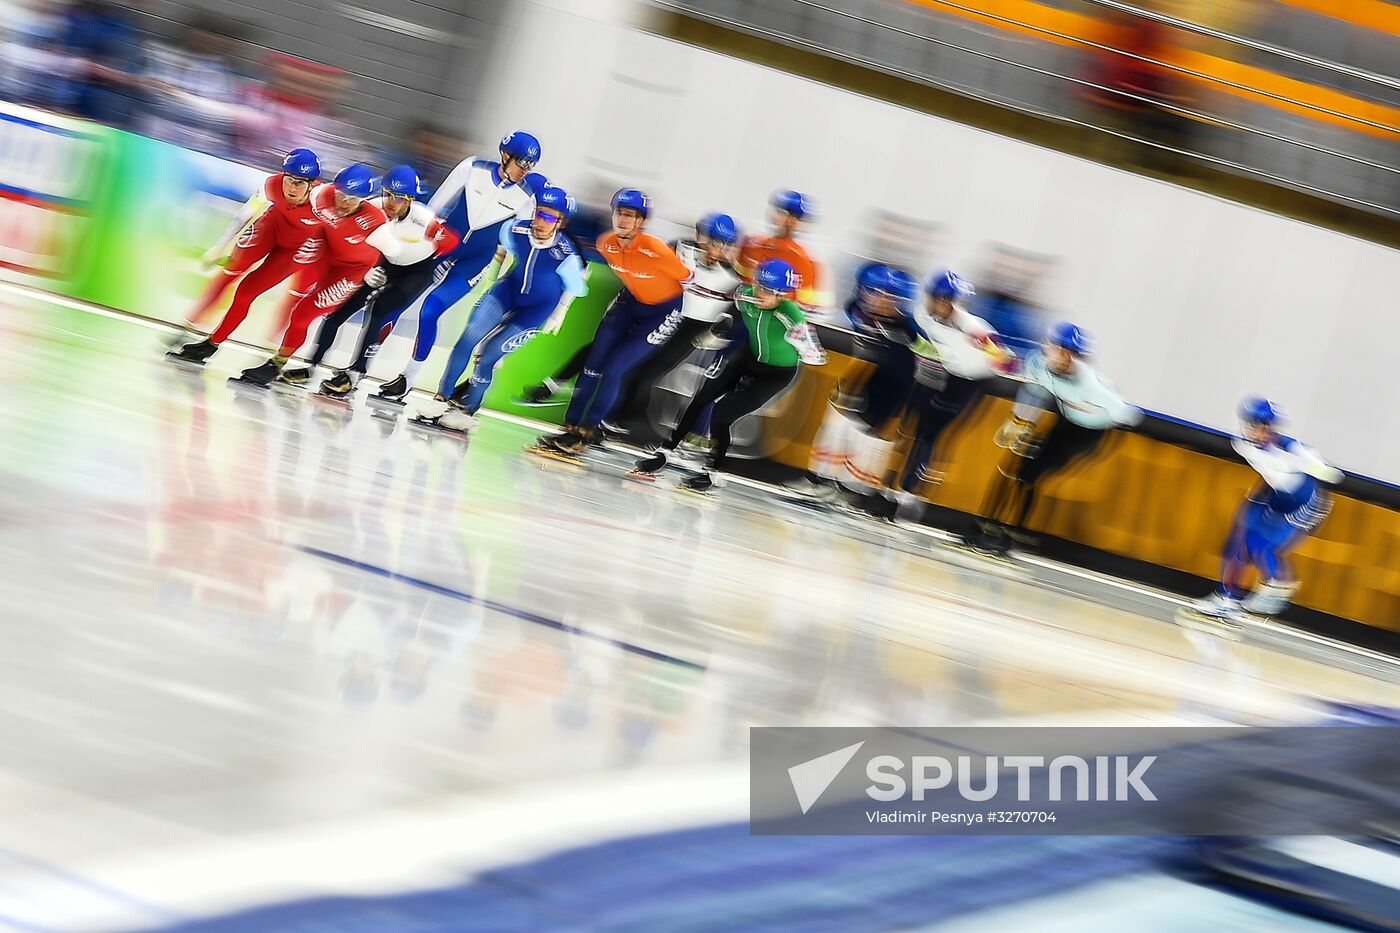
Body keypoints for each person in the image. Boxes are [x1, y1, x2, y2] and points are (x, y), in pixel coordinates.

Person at [369, 131, 547, 403]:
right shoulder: (472, 167)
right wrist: (417, 245)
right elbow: (434, 208)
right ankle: (363, 366)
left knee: (429, 312)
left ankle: (408, 379)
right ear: (505, 155)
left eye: (530, 166)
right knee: (394, 303)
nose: (526, 170)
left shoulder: (526, 197)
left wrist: (505, 275)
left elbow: (519, 244)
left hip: (474, 263)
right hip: (440, 248)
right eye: (522, 163)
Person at [630, 258, 826, 494]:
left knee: (724, 413)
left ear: (783, 295)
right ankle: (665, 452)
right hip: (748, 359)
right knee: (702, 397)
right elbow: (731, 320)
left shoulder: (791, 315)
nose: (762, 295)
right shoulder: (745, 295)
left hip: (776, 374)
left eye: (771, 292)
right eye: (760, 287)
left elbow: (817, 357)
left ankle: (715, 473)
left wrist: (804, 345)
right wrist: (717, 333)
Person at [197, 164, 405, 385]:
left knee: (302, 315)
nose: (344, 202)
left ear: (364, 200)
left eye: (353, 199)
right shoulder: (320, 194)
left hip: (350, 271)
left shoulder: (377, 224)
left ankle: (277, 364)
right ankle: (211, 344)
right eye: (341, 194)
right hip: (324, 254)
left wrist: (377, 274)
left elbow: (396, 253)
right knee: (247, 289)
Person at [410, 185, 587, 432]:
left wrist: (559, 313)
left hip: (535, 310)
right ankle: (441, 399)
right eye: (539, 213)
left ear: (561, 222)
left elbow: (575, 286)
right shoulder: (515, 229)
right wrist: (493, 277)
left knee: (489, 355)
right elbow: (502, 249)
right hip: (506, 292)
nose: (540, 221)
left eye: (549, 217)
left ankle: (468, 411)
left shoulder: (566, 254)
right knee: (468, 338)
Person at [533, 188, 692, 455]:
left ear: (641, 222)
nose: (623, 220)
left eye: (631, 215)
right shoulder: (605, 243)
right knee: (593, 364)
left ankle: (588, 430)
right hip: (629, 303)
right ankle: (570, 427)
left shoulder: (656, 249)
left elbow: (689, 279)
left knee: (615, 369)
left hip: (661, 312)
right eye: (620, 213)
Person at [281, 165, 458, 395]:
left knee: (379, 311)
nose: (391, 203)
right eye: (388, 195)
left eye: (399, 198)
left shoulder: (424, 220)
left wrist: (435, 262)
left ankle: (355, 374)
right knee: (339, 309)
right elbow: (356, 240)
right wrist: (368, 268)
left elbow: (451, 243)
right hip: (381, 264)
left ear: (410, 200)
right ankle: (311, 365)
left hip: (415, 271)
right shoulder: (371, 208)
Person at [968, 322, 1139, 554]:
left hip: (1087, 434)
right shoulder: (1039, 362)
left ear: (1074, 356)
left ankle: (1010, 540)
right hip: (1064, 420)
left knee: (1029, 476)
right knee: (1009, 468)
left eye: (1067, 353)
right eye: (1054, 348)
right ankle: (984, 530)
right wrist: (1019, 420)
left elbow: (1128, 416)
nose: (1057, 356)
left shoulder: (1091, 385)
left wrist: (1094, 409)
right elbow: (1033, 389)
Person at [786, 264, 925, 509]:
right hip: (863, 382)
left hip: (894, 390)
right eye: (873, 292)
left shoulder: (909, 333)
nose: (878, 301)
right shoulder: (855, 310)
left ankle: (852, 492)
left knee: (866, 441)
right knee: (834, 427)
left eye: (887, 296)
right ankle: (818, 479)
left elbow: (915, 371)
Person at [167, 147, 323, 363]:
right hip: (269, 229)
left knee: (246, 293)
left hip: (294, 250)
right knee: (229, 272)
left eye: (300, 182)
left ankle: (212, 344)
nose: (291, 187)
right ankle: (189, 325)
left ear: (312, 184)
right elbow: (244, 215)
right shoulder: (271, 184)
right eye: (288, 179)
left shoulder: (324, 201)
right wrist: (220, 246)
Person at [1192, 398, 1341, 620]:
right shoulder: (1241, 444)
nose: (1256, 431)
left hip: (1306, 502)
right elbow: (1269, 470)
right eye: (1252, 424)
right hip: (1273, 494)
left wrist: (1313, 465)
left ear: (1271, 428)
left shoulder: (1290, 449)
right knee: (1237, 540)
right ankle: (1228, 598)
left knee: (1262, 547)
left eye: (1262, 426)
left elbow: (1329, 474)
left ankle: (1280, 584)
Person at [885, 269, 1011, 517]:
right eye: (940, 299)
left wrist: (987, 351)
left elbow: (1008, 362)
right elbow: (917, 337)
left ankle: (911, 494)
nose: (943, 305)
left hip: (969, 383)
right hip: (940, 374)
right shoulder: (922, 313)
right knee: (910, 427)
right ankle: (892, 488)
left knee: (931, 435)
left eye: (949, 301)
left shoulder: (973, 328)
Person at [608, 211, 744, 430]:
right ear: (700, 235)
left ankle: (623, 420)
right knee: (629, 366)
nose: (716, 250)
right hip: (663, 315)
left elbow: (737, 311)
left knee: (648, 374)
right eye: (712, 242)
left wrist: (719, 331)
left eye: (724, 245)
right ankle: (616, 418)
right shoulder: (679, 248)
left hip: (693, 328)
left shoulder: (731, 277)